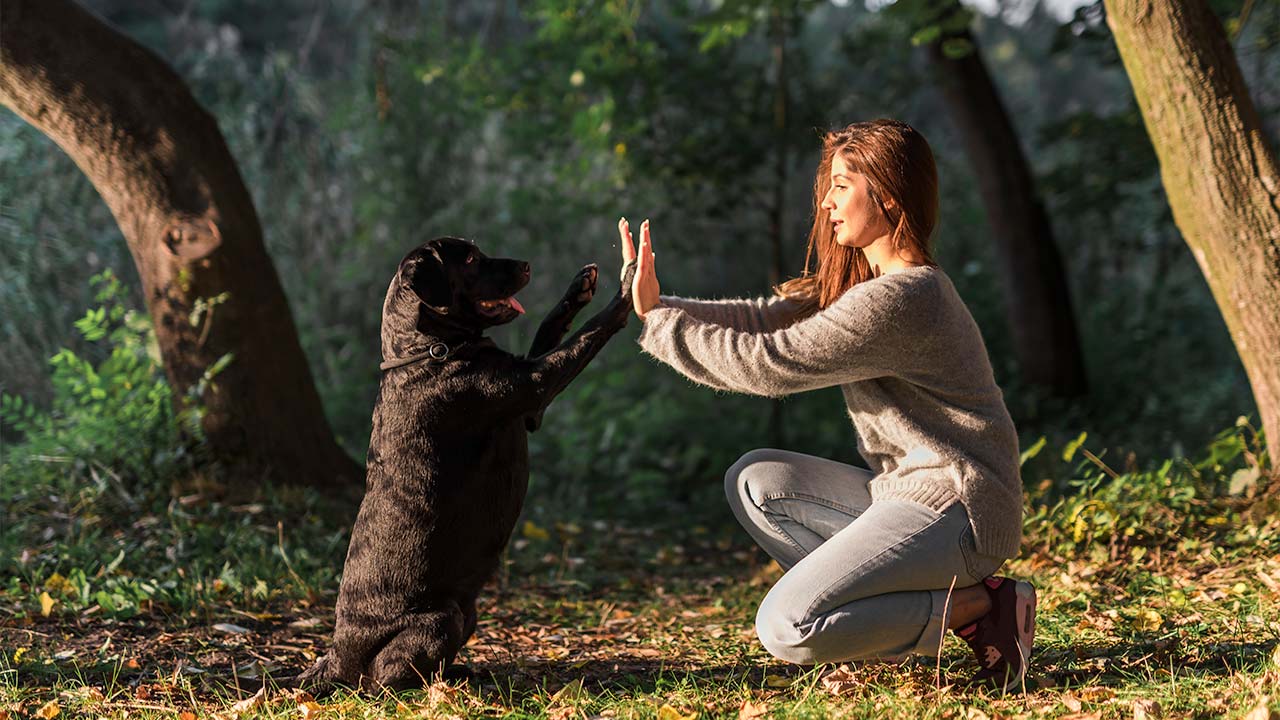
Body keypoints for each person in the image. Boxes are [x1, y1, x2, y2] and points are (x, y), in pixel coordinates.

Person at [616, 119, 1036, 692]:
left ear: (887, 193)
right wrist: (659, 305)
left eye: (841, 185)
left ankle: (975, 608)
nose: (827, 204)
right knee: (756, 481)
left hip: (961, 509)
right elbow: (765, 319)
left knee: (787, 626)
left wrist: (661, 324)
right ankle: (868, 625)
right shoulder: (873, 287)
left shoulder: (903, 299)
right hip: (911, 495)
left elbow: (768, 362)